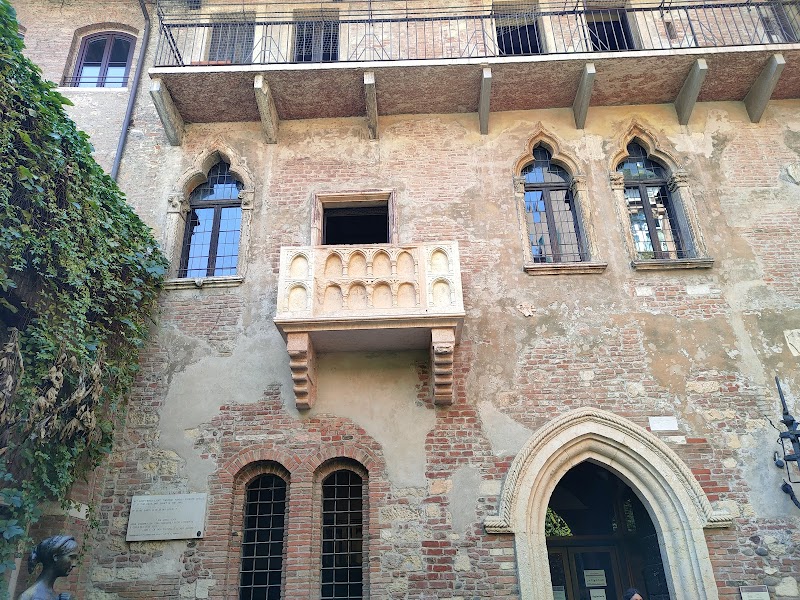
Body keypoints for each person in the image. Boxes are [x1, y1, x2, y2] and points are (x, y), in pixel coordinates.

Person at [19, 535, 78, 600]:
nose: (74, 564)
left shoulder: (53, 595)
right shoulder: (29, 597)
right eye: (71, 557)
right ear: (56, 557)